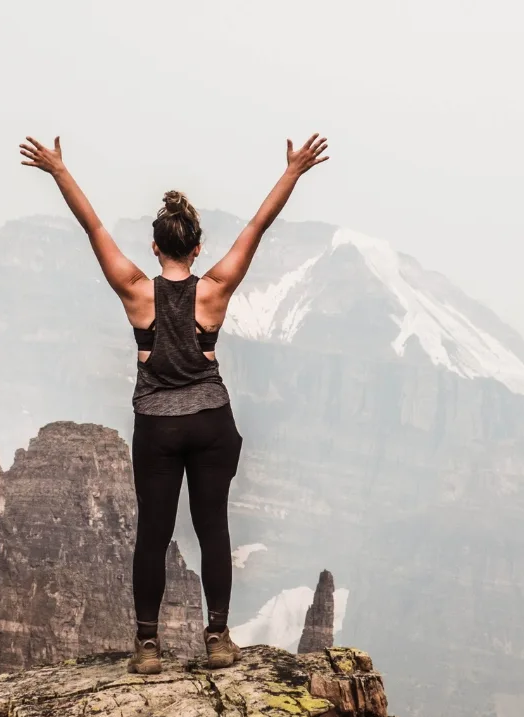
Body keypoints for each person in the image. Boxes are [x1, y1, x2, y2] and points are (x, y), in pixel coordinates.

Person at [19, 132, 329, 673]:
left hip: (157, 428)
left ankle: (147, 647)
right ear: (198, 248)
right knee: (213, 529)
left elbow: (93, 227)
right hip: (211, 423)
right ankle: (217, 638)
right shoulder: (215, 291)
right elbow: (258, 226)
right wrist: (293, 172)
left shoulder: (137, 291)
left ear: (157, 247)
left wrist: (58, 171)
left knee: (154, 534)